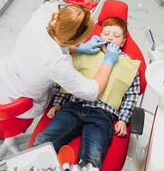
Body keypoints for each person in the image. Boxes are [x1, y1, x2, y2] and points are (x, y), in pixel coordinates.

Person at [34, 18, 141, 171]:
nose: (110, 37)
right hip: (73, 107)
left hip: (102, 115)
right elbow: (68, 81)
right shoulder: (85, 52)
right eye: (106, 33)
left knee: (91, 158)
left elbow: (131, 95)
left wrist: (123, 120)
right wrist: (58, 103)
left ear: (123, 42)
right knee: (43, 141)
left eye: (116, 36)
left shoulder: (129, 65)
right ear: (100, 34)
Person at [0, 4, 121, 119]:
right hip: (20, 103)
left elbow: (51, 7)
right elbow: (92, 91)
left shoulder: (40, 20)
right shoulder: (58, 64)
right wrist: (108, 61)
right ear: (77, 39)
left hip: (0, 79)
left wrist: (77, 47)